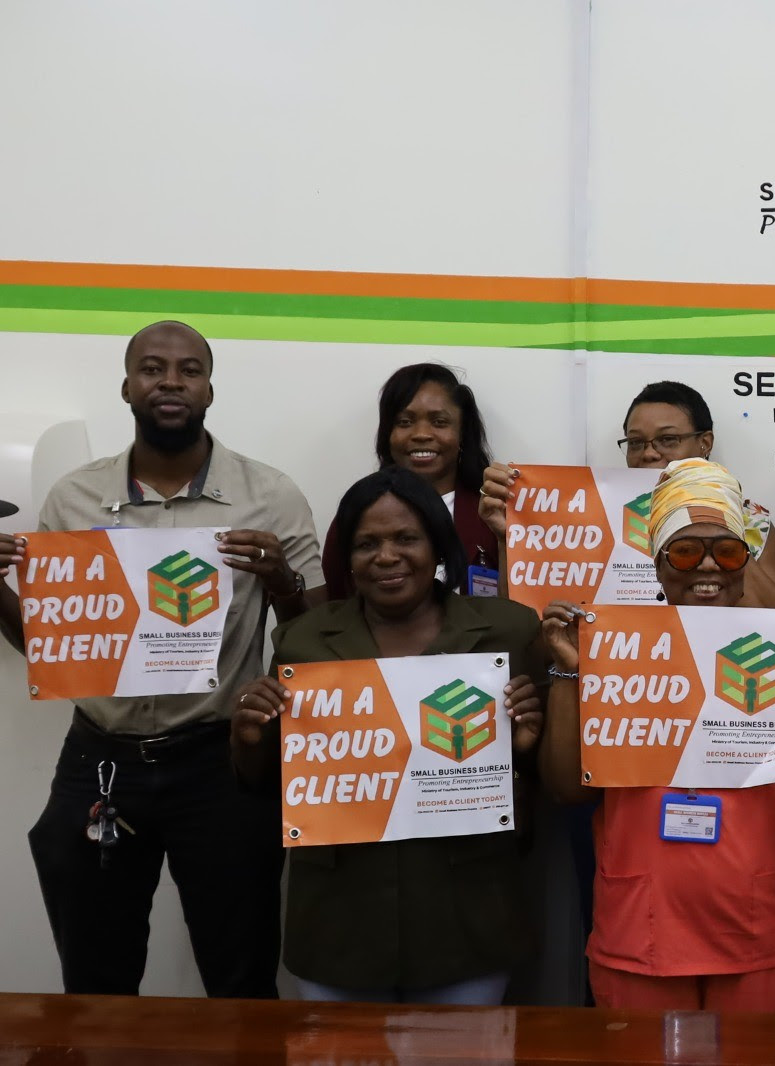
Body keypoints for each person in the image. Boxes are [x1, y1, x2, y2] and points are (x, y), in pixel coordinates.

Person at [0, 320, 323, 997]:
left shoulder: (271, 494)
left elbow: (317, 636)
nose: (170, 382)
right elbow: (50, 646)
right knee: (95, 980)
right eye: (152, 368)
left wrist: (281, 580)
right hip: (100, 759)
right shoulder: (73, 497)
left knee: (240, 977)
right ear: (126, 387)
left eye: (189, 370)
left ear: (210, 390)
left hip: (220, 761)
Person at [538, 458, 775, 1011]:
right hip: (641, 928)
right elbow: (567, 789)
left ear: (746, 563)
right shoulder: (611, 652)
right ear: (657, 563)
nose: (707, 565)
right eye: (685, 551)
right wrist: (568, 674)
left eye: (727, 551)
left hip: (761, 925)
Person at [230, 468, 543, 1004]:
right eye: (366, 544)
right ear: (347, 558)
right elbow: (269, 784)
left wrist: (525, 747)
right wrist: (247, 735)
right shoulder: (302, 642)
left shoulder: (510, 631)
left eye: (406, 538)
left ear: (437, 544)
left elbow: (548, 779)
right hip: (339, 920)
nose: (387, 556)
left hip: (467, 918)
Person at [478, 379, 775, 610]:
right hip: (615, 668)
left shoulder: (749, 519)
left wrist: (718, 522)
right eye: (635, 442)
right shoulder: (582, 514)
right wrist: (513, 537)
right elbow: (524, 620)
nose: (649, 453)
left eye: (668, 440)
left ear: (705, 443)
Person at [321, 363, 497, 599]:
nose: (421, 434)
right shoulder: (359, 510)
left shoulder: (494, 512)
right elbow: (336, 602)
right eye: (404, 422)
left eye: (439, 422)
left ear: (463, 432)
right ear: (388, 434)